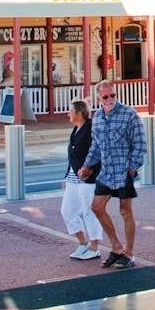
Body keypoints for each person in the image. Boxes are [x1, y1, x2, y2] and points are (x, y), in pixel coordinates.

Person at [80, 83, 146, 268]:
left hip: (123, 170)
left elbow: (140, 143)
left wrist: (133, 167)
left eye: (112, 95)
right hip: (106, 172)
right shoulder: (98, 117)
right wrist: (87, 166)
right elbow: (95, 146)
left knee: (126, 211)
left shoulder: (129, 113)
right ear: (99, 99)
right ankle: (117, 247)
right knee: (97, 207)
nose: (110, 99)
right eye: (105, 97)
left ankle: (130, 254)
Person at [61, 99, 104, 261]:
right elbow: (72, 156)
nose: (68, 114)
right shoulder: (76, 129)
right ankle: (82, 242)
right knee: (67, 211)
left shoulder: (90, 129)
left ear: (79, 113)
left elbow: (97, 153)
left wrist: (90, 169)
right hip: (73, 179)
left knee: (88, 211)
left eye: (70, 111)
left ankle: (94, 246)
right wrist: (67, 176)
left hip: (87, 179)